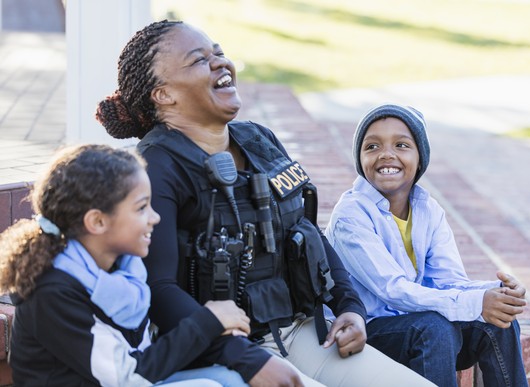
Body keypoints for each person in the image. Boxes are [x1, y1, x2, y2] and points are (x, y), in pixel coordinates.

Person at [95, 20, 433, 387]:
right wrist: (247, 360)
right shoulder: (156, 167)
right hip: (220, 351)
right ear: (164, 95)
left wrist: (350, 308)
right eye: (199, 60)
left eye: (219, 53)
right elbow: (158, 289)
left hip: (304, 332)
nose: (220, 64)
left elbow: (306, 232)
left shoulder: (259, 140)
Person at [0, 144, 251, 386]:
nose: (156, 217)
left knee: (231, 379)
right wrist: (208, 322)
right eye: (142, 208)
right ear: (97, 221)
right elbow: (127, 376)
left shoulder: (123, 267)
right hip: (125, 379)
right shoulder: (53, 291)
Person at [324, 103, 529, 387]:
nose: (386, 154)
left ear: (420, 158)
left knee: (498, 322)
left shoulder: (427, 210)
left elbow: (447, 282)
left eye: (401, 145)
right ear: (360, 160)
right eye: (372, 147)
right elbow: (392, 290)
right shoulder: (351, 215)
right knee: (433, 328)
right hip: (364, 332)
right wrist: (475, 303)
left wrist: (495, 294)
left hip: (416, 328)